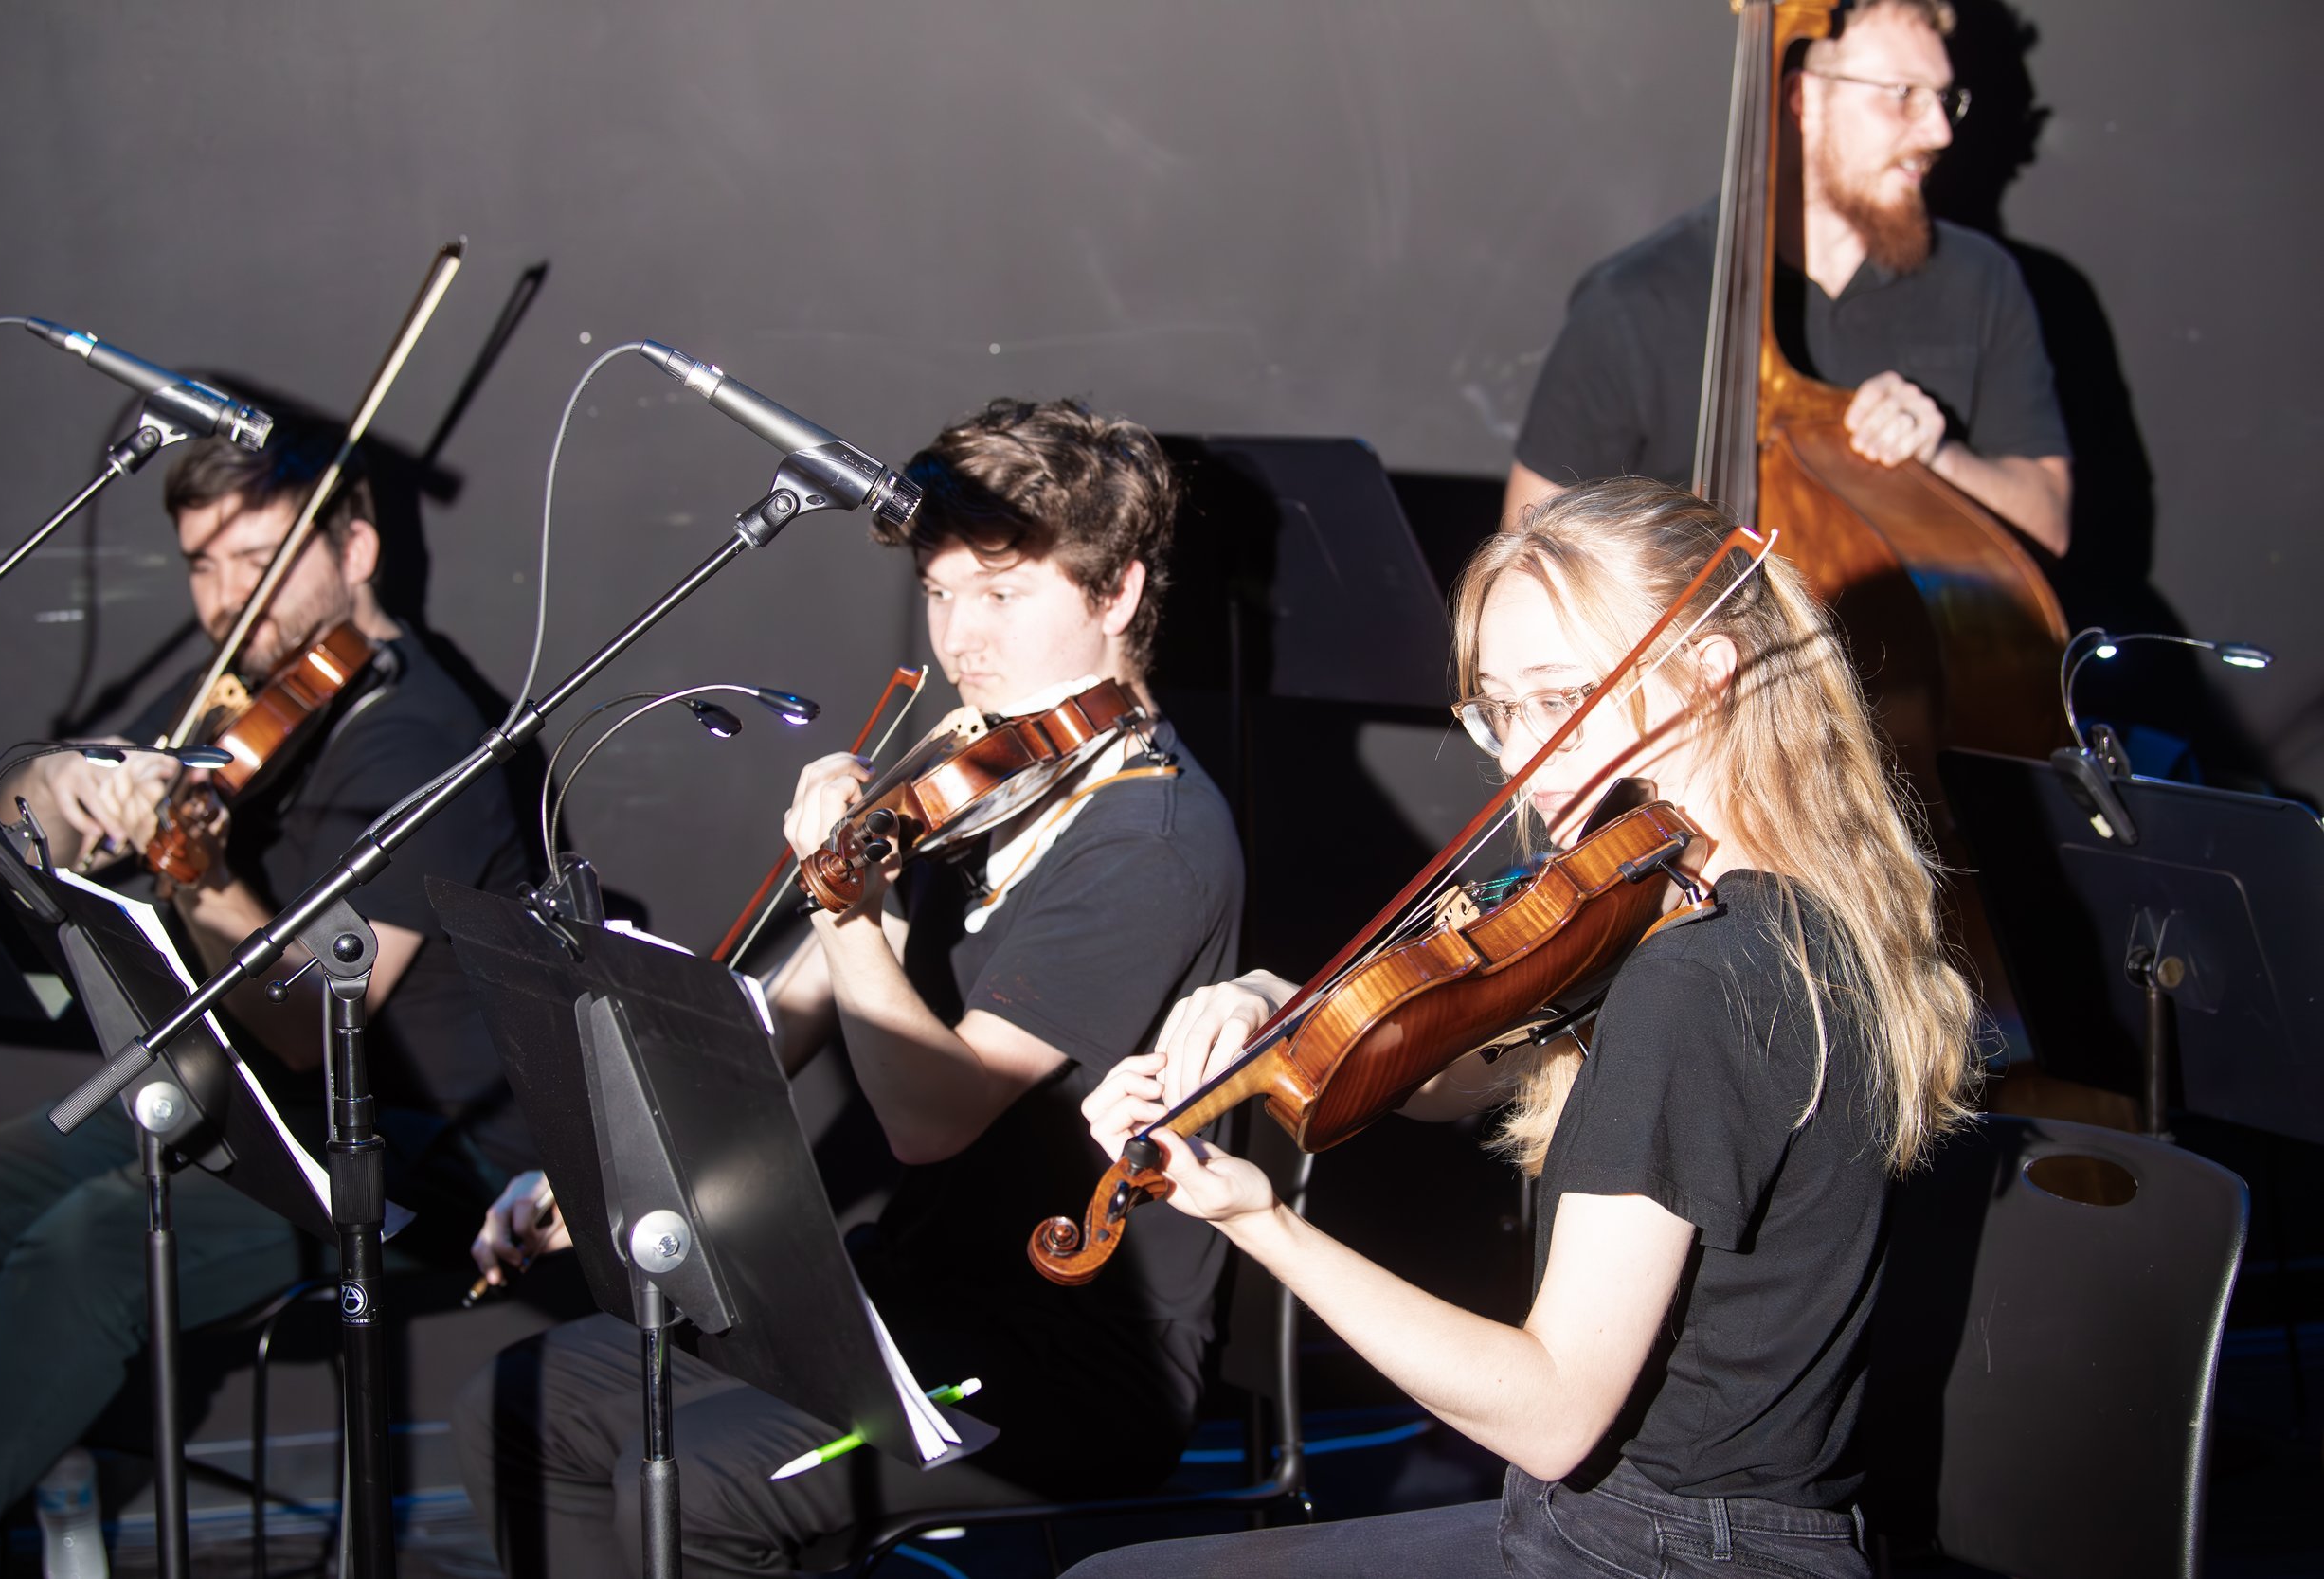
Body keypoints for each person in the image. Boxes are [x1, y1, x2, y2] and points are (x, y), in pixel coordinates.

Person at [1061, 476, 1981, 1577]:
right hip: (1687, 1530)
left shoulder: (1697, 975)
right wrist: (1273, 1003)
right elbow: (1457, 1060)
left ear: (1708, 675)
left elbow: (1551, 1411)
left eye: (1561, 698)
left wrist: (1255, 1218)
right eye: (1497, 706)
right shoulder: (1750, 905)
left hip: (1665, 1551)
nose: (1519, 758)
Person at [453, 397, 1246, 1578]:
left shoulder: (1152, 839)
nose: (959, 638)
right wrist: (614, 1165)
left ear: (1116, 593)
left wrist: (848, 906)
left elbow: (933, 1117)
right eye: (939, 592)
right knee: (523, 1402)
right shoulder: (986, 764)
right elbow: (789, 1018)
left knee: (693, 1494)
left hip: (1066, 1348)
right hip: (902, 1291)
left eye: (1000, 592)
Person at [0, 425, 528, 1576]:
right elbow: (28, 817)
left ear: (356, 545)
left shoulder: (426, 745)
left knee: (94, 1244)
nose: (229, 600)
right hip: (232, 1105)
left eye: (257, 558)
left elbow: (303, 1023)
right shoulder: (248, 685)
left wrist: (203, 876)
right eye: (204, 566)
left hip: (401, 1157)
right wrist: (64, 781)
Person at [1505, 0, 2073, 558]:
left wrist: (1938, 456)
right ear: (1802, 99)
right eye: (1904, 95)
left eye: (1944, 98)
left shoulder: (1981, 282)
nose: (1939, 131)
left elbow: (2048, 522)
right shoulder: (1635, 302)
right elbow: (1530, 553)